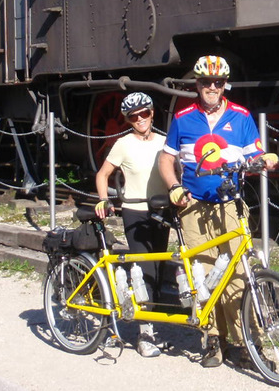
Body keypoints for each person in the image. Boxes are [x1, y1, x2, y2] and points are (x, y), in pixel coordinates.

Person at [158, 55, 277, 369]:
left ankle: (246, 345)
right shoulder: (183, 118)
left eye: (218, 82)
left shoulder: (241, 116)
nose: (212, 87)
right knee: (203, 274)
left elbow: (255, 152)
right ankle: (212, 340)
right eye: (205, 82)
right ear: (196, 84)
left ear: (226, 84)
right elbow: (166, 159)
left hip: (230, 205)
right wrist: (173, 186)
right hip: (193, 206)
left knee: (239, 275)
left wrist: (266, 158)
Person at [94, 92, 169, 357]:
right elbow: (102, 174)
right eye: (134, 117)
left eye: (144, 114)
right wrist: (104, 201)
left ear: (152, 113)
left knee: (159, 268)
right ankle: (144, 334)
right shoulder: (123, 144)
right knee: (143, 267)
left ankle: (152, 321)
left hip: (162, 211)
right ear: (127, 120)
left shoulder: (164, 141)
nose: (140, 119)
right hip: (135, 212)